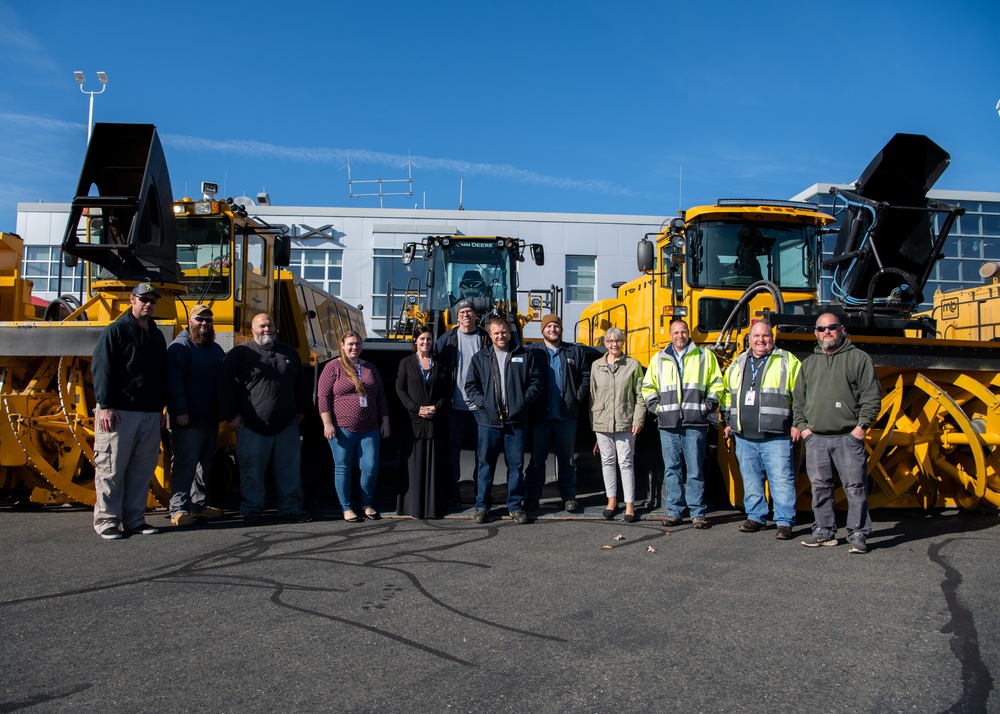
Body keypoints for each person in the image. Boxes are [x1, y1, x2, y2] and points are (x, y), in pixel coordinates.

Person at [793, 313, 881, 553]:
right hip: (816, 438)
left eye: (831, 327)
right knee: (820, 486)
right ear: (816, 333)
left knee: (855, 487)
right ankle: (824, 530)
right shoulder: (809, 363)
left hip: (848, 437)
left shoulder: (859, 359)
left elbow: (871, 396)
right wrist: (804, 428)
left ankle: (858, 533)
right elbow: (798, 399)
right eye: (821, 329)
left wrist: (861, 427)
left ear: (841, 329)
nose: (826, 332)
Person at [91, 282, 168, 540]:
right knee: (111, 467)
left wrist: (160, 409)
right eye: (144, 299)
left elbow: (160, 376)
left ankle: (135, 519)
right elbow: (102, 369)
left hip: (149, 413)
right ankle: (107, 521)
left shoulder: (156, 335)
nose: (149, 304)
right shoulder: (116, 331)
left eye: (153, 300)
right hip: (119, 412)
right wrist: (105, 405)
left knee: (141, 470)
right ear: (131, 300)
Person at [219, 313, 312, 525]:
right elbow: (226, 387)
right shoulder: (240, 354)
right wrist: (231, 416)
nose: (266, 329)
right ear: (253, 330)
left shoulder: (289, 353)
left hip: (286, 425)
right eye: (262, 326)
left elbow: (301, 385)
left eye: (269, 325)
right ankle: (252, 509)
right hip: (251, 425)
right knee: (252, 470)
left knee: (289, 470)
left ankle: (290, 508)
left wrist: (303, 411)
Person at [721, 320, 801, 540]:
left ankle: (784, 522)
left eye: (765, 336)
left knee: (781, 479)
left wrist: (798, 423)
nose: (760, 340)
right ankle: (756, 516)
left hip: (776, 434)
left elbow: (801, 395)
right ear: (750, 339)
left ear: (772, 338)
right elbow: (728, 393)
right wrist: (729, 420)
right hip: (744, 435)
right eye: (756, 336)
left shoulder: (786, 360)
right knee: (751, 478)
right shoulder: (738, 362)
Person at [641, 318, 723, 530]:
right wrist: (658, 409)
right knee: (672, 469)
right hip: (668, 425)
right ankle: (675, 511)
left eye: (683, 332)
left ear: (689, 334)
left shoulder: (705, 356)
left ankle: (697, 513)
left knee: (695, 469)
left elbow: (716, 383)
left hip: (695, 423)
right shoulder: (659, 358)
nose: (680, 336)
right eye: (676, 332)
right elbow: (648, 387)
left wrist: (706, 408)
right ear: (670, 335)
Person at [464, 317, 544, 524]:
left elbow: (536, 382)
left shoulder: (524, 355)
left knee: (516, 466)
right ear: (489, 335)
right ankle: (482, 506)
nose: (500, 336)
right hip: (488, 422)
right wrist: (485, 404)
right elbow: (471, 386)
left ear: (509, 332)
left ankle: (515, 506)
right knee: (485, 465)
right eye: (496, 333)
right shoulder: (480, 358)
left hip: (516, 421)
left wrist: (521, 403)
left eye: (503, 332)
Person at [319, 330, 390, 522]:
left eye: (357, 344)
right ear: (342, 345)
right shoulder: (333, 367)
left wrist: (385, 421)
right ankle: (346, 507)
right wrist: (327, 423)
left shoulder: (369, 368)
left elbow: (381, 395)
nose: (354, 347)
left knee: (370, 467)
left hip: (370, 428)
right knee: (343, 467)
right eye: (350, 344)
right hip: (342, 428)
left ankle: (367, 504)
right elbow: (323, 397)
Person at [165, 304, 226, 527]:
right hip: (186, 420)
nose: (204, 323)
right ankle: (178, 508)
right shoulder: (180, 347)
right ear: (190, 320)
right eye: (199, 319)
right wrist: (179, 411)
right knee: (184, 464)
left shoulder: (216, 349)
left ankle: (199, 505)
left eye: (208, 320)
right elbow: (174, 383)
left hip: (209, 418)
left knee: (203, 464)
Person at [526, 314, 590, 512]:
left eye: (556, 326)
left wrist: (576, 397)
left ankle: (569, 496)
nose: (552, 329)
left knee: (567, 460)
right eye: (548, 326)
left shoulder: (574, 351)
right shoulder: (532, 351)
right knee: (537, 461)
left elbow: (585, 377)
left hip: (566, 416)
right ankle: (533, 496)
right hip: (540, 416)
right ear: (542, 330)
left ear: (561, 329)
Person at [435, 299, 489, 506]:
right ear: (456, 317)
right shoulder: (446, 340)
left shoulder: (486, 338)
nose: (466, 315)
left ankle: (481, 494)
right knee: (452, 452)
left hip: (480, 408)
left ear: (476, 315)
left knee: (482, 453)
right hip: (454, 407)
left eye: (469, 312)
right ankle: (452, 493)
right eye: (462, 312)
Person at [395, 325, 451, 518]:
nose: (425, 342)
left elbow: (447, 392)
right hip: (413, 421)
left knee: (434, 464)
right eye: (422, 339)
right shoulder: (406, 363)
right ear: (415, 341)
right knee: (413, 464)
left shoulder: (440, 364)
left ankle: (432, 507)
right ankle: (413, 507)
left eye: (428, 339)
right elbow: (400, 389)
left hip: (434, 421)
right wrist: (416, 408)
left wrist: (436, 407)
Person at [589, 327, 645, 523]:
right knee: (607, 462)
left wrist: (638, 420)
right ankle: (611, 501)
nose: (614, 344)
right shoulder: (596, 366)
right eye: (610, 341)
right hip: (602, 422)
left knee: (626, 463)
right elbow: (593, 395)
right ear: (605, 343)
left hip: (625, 421)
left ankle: (630, 504)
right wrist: (594, 422)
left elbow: (640, 395)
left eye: (618, 341)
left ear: (623, 342)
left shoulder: (633, 365)